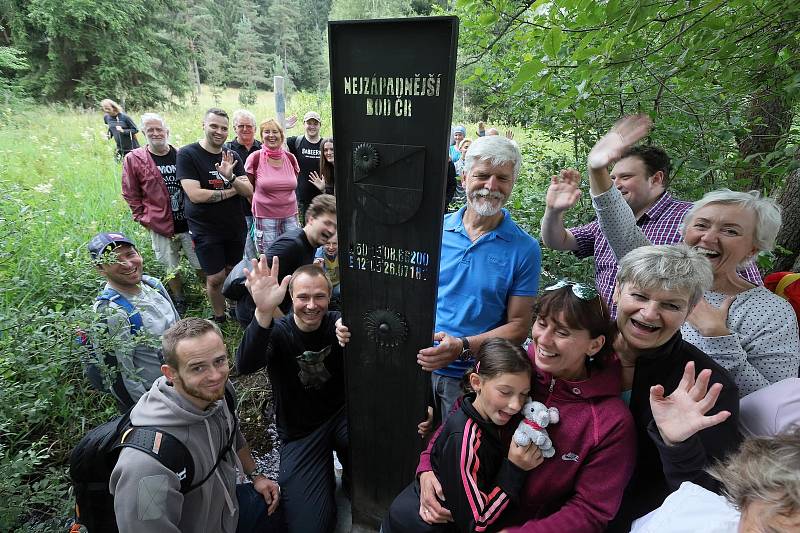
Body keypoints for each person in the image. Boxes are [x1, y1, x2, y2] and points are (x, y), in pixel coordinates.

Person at [584, 114, 800, 396]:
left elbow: (777, 405)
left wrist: (718, 337)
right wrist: (597, 169)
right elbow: (620, 228)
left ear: (753, 248)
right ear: (685, 231)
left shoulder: (768, 312)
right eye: (701, 225)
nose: (708, 238)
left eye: (731, 231)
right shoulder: (662, 273)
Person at [415, 283, 636, 532]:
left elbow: (592, 511)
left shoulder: (610, 421)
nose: (544, 339)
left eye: (562, 332)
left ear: (594, 345)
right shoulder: (516, 365)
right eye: (542, 323)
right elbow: (462, 413)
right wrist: (426, 468)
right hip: (465, 513)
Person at [606, 244, 742, 531]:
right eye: (639, 296)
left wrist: (678, 445)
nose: (650, 313)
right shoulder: (573, 345)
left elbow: (713, 497)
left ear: (690, 310)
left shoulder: (708, 387)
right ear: (618, 290)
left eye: (670, 305)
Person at [542, 145, 762, 316]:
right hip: (608, 339)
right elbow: (559, 241)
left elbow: (739, 279)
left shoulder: (695, 223)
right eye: (611, 178)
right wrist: (554, 211)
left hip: (661, 337)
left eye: (626, 177)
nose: (616, 184)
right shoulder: (605, 223)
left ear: (656, 179)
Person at [109, 317, 282, 533]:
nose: (215, 376)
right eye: (198, 368)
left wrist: (256, 475)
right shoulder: (147, 466)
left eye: (219, 361)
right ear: (170, 373)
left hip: (230, 511)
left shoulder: (221, 393)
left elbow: (233, 435)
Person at [417, 135, 541, 422]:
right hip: (416, 368)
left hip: (470, 380)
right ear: (464, 177)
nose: (491, 186)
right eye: (482, 175)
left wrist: (461, 347)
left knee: (457, 458)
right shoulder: (433, 231)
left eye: (502, 178)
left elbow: (520, 326)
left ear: (513, 183)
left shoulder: (524, 249)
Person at [383, 338, 541, 533]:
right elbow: (478, 522)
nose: (516, 405)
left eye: (524, 394)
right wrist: (515, 470)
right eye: (505, 392)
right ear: (476, 382)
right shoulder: (466, 439)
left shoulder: (476, 409)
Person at [236, 260, 347, 533]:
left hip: (343, 418)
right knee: (310, 526)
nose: (312, 305)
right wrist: (263, 311)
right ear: (291, 298)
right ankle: (321, 483)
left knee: (373, 464)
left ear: (330, 297)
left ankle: (355, 477)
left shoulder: (338, 324)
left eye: (319, 296)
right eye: (303, 297)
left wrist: (350, 329)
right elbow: (245, 364)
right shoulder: (279, 333)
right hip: (300, 432)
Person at [86, 232, 179, 411]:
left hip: (185, 381)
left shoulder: (153, 285)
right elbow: (120, 377)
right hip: (159, 399)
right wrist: (146, 413)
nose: (128, 264)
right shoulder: (110, 312)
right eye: (114, 260)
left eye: (130, 254)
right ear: (100, 268)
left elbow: (181, 328)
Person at [177, 108, 253, 323]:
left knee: (232, 271)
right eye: (214, 126)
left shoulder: (232, 156)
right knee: (215, 277)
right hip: (205, 228)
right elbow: (195, 195)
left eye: (223, 128)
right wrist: (231, 190)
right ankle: (219, 317)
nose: (219, 131)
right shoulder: (188, 154)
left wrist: (231, 178)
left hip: (234, 226)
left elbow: (249, 192)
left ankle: (232, 306)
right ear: (204, 125)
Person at [121, 113, 202, 315]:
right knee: (171, 267)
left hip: (190, 223)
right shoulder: (135, 159)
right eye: (150, 130)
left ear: (167, 132)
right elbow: (130, 192)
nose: (156, 133)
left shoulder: (182, 154)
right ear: (143, 133)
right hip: (161, 225)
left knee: (201, 263)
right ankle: (179, 299)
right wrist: (143, 219)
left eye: (159, 129)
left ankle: (209, 293)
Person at [244, 118, 300, 255]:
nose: (271, 135)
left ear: (281, 136)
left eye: (275, 132)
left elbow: (292, 185)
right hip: (266, 218)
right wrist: (260, 205)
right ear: (262, 136)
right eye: (266, 132)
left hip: (291, 216)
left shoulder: (290, 158)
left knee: (292, 253)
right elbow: (247, 190)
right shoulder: (255, 158)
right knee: (270, 256)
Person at [225, 109, 262, 260]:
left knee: (266, 250)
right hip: (239, 211)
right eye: (241, 126)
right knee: (248, 253)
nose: (245, 129)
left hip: (262, 209)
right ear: (234, 128)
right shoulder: (227, 150)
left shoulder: (262, 148)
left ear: (255, 128)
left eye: (249, 126)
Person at [286, 111, 324, 225]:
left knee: (320, 230)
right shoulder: (296, 142)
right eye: (309, 123)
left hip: (321, 198)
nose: (312, 126)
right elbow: (275, 143)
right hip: (301, 200)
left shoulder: (325, 144)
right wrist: (283, 126)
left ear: (320, 125)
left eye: (315, 123)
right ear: (304, 124)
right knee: (303, 232)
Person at [314, 234, 340, 300]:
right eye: (327, 243)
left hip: (338, 286)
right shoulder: (316, 257)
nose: (331, 247)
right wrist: (318, 269)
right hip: (324, 286)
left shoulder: (345, 253)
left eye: (334, 244)